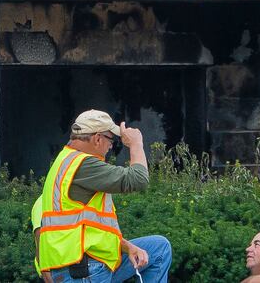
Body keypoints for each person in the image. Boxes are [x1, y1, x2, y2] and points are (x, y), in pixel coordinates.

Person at [31, 110, 172, 283]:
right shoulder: (84, 163)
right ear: (97, 139)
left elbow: (91, 230)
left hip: (85, 267)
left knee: (159, 248)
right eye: (110, 140)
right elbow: (138, 180)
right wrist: (136, 144)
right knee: (159, 249)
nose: (111, 146)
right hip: (85, 272)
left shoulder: (65, 160)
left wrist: (128, 247)